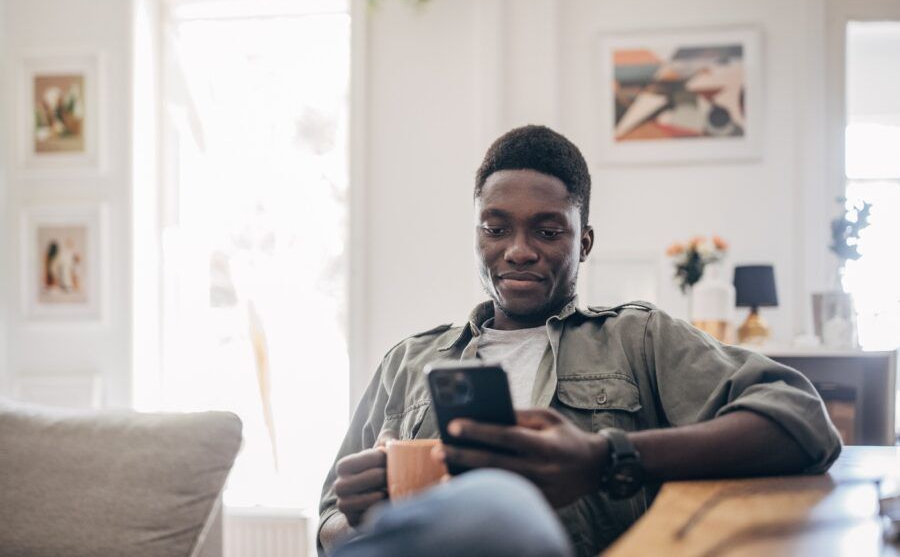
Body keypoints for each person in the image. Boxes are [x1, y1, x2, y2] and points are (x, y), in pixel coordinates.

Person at [317, 125, 842, 557]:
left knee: (500, 501)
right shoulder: (407, 362)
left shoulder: (637, 338)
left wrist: (605, 458)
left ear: (584, 241)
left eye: (547, 231)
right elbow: (328, 526)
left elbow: (801, 420)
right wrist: (360, 516)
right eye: (495, 230)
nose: (518, 251)